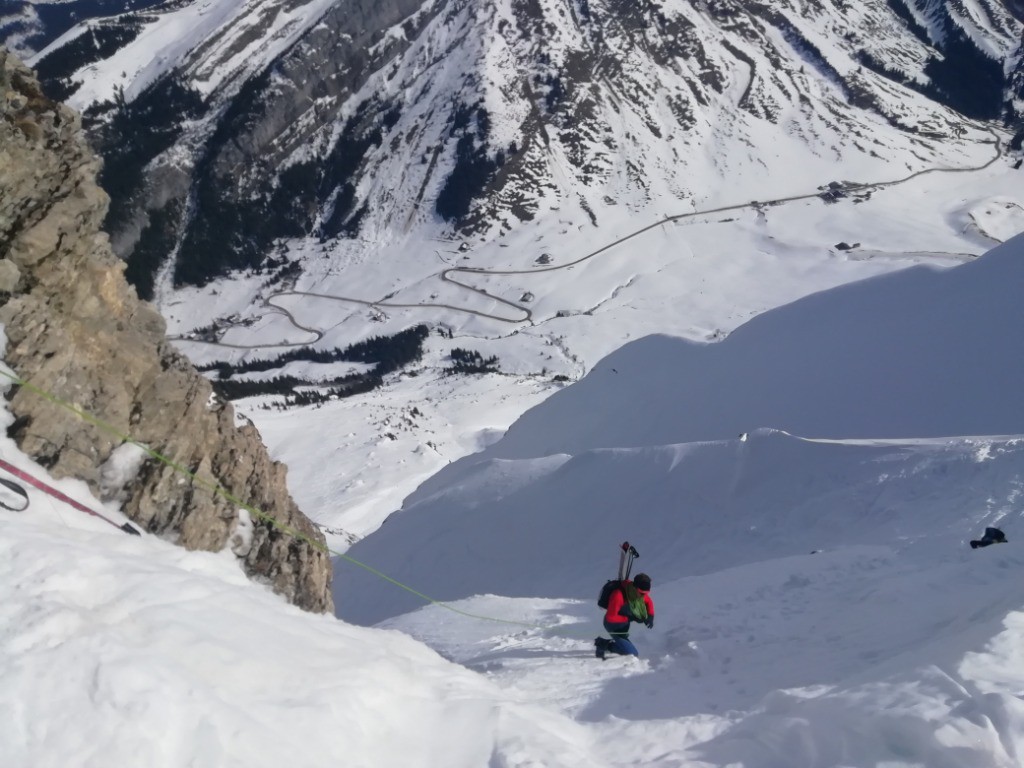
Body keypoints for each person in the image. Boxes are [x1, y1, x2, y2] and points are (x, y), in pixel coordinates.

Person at [595, 572, 655, 659]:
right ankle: (603, 644)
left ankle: (616, 644)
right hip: (613, 627)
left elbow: (648, 601)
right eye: (641, 593)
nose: (643, 595)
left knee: (626, 648)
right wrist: (631, 618)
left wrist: (650, 616)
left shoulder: (637, 594)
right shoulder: (618, 595)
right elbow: (611, 617)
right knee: (632, 654)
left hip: (623, 626)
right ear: (635, 587)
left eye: (646, 593)